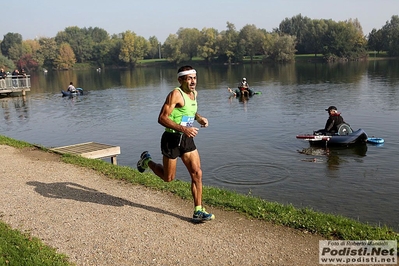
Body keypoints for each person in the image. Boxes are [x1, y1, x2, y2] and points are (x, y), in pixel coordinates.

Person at [136, 65, 215, 222]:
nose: (193, 82)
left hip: (186, 139)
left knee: (197, 173)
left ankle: (198, 210)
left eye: (195, 78)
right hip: (171, 139)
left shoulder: (194, 93)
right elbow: (162, 118)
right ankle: (146, 161)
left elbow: (190, 111)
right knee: (168, 178)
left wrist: (199, 118)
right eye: (189, 78)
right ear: (180, 80)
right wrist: (183, 129)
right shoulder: (175, 94)